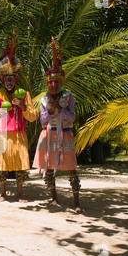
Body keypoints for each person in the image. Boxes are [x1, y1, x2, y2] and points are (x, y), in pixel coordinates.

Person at [0, 34, 37, 202]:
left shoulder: (24, 95)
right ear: (3, 79)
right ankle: (3, 194)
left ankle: (20, 194)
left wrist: (21, 106)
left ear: (16, 79)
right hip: (1, 134)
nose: (9, 81)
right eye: (7, 79)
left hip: (19, 134)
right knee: (0, 167)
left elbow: (33, 116)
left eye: (12, 79)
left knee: (21, 165)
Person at [32, 37, 82, 213]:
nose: (53, 85)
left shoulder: (68, 96)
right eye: (50, 83)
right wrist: (51, 112)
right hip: (49, 134)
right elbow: (42, 120)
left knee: (71, 168)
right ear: (48, 83)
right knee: (50, 168)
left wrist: (60, 109)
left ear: (60, 83)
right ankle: (54, 199)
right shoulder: (44, 99)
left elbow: (72, 117)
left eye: (56, 83)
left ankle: (76, 202)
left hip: (65, 133)